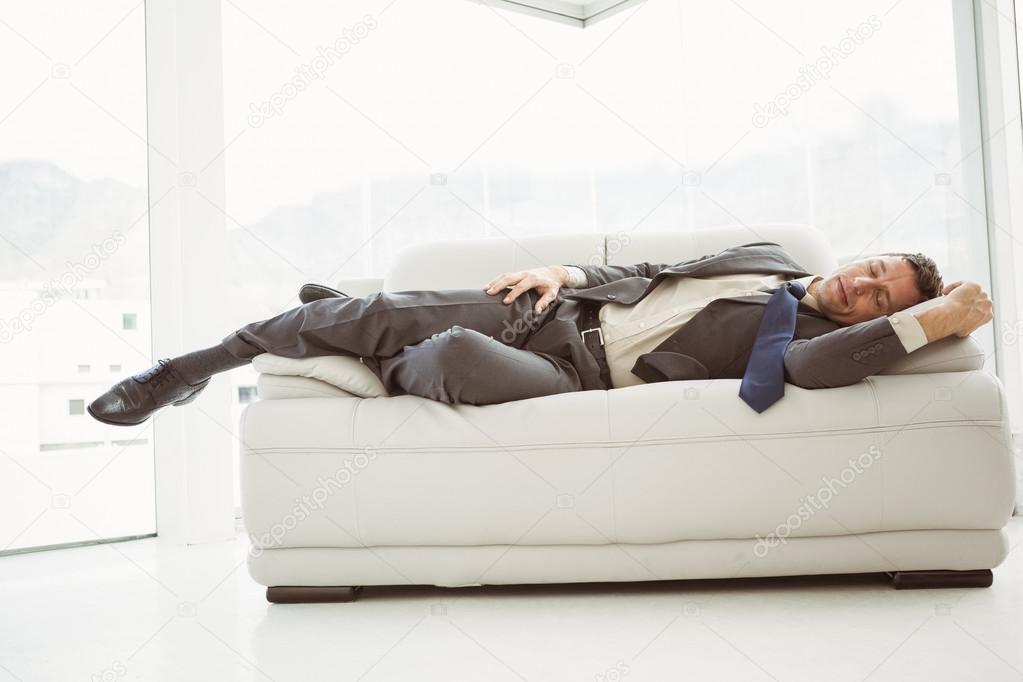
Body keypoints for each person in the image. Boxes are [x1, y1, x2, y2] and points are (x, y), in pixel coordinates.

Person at [87, 241, 993, 426]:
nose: (861, 285)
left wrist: (931, 320)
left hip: (577, 377)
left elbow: (814, 373)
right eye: (873, 268)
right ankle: (187, 369)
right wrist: (565, 274)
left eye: (880, 298)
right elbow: (646, 268)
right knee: (373, 311)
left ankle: (356, 329)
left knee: (442, 351)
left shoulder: (810, 346)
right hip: (554, 315)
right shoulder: (765, 257)